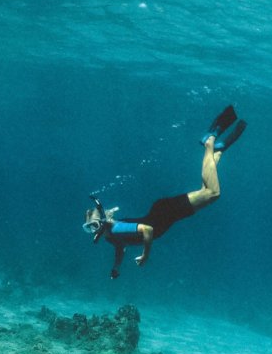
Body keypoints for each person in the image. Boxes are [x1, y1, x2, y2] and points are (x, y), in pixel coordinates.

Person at [83, 105, 246, 279]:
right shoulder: (110, 237)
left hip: (165, 212)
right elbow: (120, 248)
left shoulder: (115, 229)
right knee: (206, 191)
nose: (93, 231)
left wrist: (146, 255)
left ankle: (210, 141)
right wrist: (116, 267)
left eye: (94, 225)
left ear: (101, 220)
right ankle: (216, 152)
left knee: (212, 192)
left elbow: (147, 230)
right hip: (166, 214)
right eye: (89, 228)